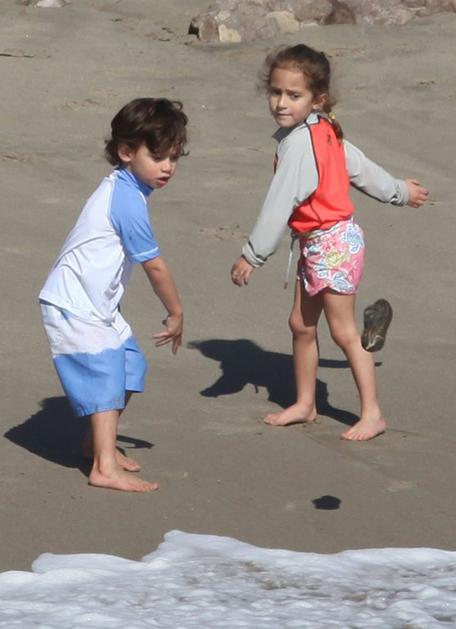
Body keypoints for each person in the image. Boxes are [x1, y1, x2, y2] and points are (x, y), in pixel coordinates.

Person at [231, 44, 428, 441]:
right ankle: (306, 404)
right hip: (320, 244)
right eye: (275, 92)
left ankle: (372, 414)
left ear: (317, 99)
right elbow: (363, 169)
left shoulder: (303, 142)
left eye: (294, 95)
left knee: (343, 332)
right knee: (300, 325)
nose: (281, 103)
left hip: (333, 244)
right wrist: (400, 191)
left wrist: (252, 255)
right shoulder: (323, 128)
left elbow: (280, 203)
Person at [39, 98, 187, 490]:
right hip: (73, 303)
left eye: (174, 157)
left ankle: (95, 444)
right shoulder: (125, 200)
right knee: (106, 373)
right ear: (125, 152)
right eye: (158, 156)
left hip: (97, 305)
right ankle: (104, 467)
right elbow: (155, 266)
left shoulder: (130, 189)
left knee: (130, 366)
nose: (168, 167)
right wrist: (176, 311)